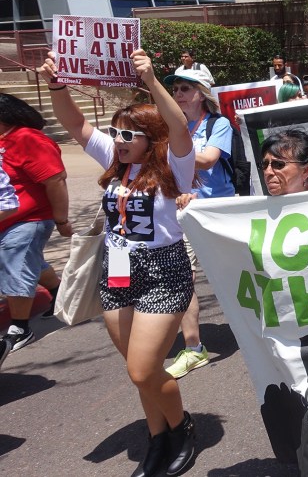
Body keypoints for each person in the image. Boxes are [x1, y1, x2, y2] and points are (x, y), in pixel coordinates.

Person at [39, 49, 198, 477]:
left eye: (129, 135)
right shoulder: (115, 160)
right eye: (116, 134)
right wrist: (57, 85)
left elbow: (179, 126)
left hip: (163, 271)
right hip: (117, 270)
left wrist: (150, 80)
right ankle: (157, 437)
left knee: (143, 367)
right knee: (137, 371)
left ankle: (182, 427)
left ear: (151, 138)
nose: (119, 141)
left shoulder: (174, 166)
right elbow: (74, 124)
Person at [162, 67, 235, 380]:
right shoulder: (168, 125)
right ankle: (194, 348)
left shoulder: (219, 123)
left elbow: (209, 159)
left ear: (202, 93)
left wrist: (171, 152)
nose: (178, 94)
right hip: (181, 213)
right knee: (184, 278)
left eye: (185, 88)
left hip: (218, 211)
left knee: (235, 274)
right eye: (175, 89)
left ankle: (262, 324)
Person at [0, 94, 71, 356]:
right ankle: (58, 292)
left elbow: (56, 179)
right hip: (8, 221)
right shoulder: (4, 141)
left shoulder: (28, 138)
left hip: (29, 219)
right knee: (30, 262)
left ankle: (20, 328)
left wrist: (62, 219)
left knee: (16, 266)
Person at [260, 130, 308, 195]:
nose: (267, 172)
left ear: (306, 170)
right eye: (264, 165)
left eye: (278, 164)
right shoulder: (261, 206)